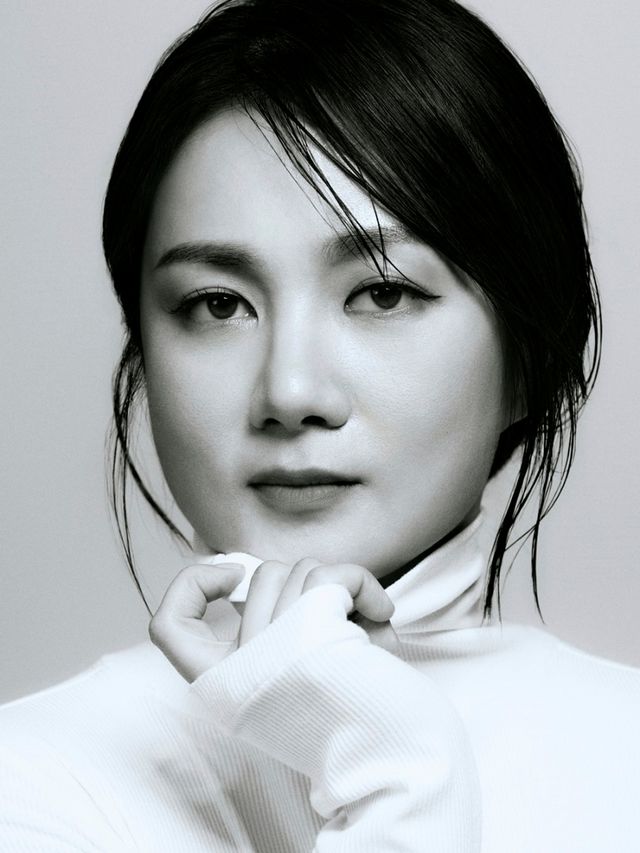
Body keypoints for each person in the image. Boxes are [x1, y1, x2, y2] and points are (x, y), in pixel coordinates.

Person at [1, 0, 639, 850]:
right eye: (217, 304)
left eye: (382, 292)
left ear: (527, 355)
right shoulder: (35, 782)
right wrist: (396, 767)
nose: (291, 391)